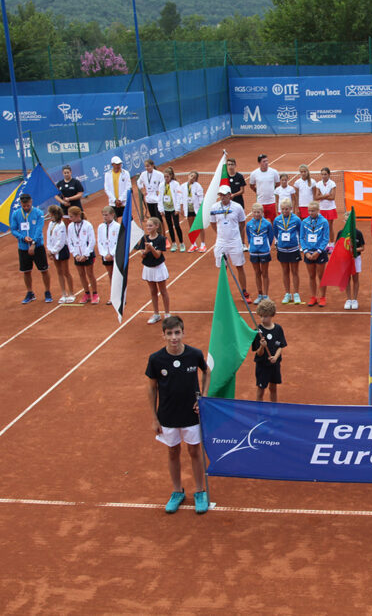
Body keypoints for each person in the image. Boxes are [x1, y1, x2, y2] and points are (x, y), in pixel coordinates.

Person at [145, 315, 209, 514]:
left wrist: (203, 398)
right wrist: (155, 418)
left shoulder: (194, 354)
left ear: (183, 333)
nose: (174, 337)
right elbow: (151, 388)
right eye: (170, 334)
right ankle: (177, 491)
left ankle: (200, 491)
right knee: (172, 452)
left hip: (191, 415)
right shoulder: (156, 360)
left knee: (194, 451)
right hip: (167, 415)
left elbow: (207, 372)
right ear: (163, 335)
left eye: (177, 333)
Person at [210, 184, 250, 303]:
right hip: (221, 242)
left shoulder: (238, 207)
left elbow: (242, 223)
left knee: (239, 266)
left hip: (235, 241)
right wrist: (220, 234)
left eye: (224, 195)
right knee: (223, 268)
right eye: (220, 195)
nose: (222, 197)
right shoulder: (214, 207)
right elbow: (213, 223)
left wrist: (234, 233)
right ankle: (223, 293)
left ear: (229, 195)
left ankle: (244, 292)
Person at [10, 194, 52, 304]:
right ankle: (30, 293)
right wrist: (22, 237)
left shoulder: (38, 213)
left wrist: (33, 243)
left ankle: (47, 291)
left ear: (31, 202)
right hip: (23, 247)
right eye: (24, 206)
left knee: (44, 270)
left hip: (37, 246)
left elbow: (39, 229)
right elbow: (13, 230)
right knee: (26, 271)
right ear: (20, 204)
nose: (26, 207)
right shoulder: (16, 214)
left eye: (28, 205)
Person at [251, 298, 286, 402]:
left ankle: (274, 411)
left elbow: (281, 346)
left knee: (273, 388)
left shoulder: (278, 329)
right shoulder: (258, 331)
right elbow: (258, 353)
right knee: (260, 390)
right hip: (262, 366)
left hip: (274, 365)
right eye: (260, 316)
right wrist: (262, 346)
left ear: (272, 315)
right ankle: (259, 413)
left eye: (265, 316)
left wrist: (275, 357)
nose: (262, 319)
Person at [136, 217, 170, 324]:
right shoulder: (144, 238)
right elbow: (142, 256)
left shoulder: (161, 239)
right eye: (147, 226)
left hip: (158, 267)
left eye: (150, 225)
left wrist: (151, 249)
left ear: (156, 226)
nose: (148, 227)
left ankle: (167, 314)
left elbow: (157, 255)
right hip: (148, 268)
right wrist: (146, 250)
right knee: (153, 291)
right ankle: (156, 314)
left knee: (163, 291)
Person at [300, 200, 330, 307]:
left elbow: (326, 238)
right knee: (311, 276)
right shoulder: (304, 222)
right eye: (309, 211)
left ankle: (322, 297)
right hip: (308, 253)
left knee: (321, 276)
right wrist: (306, 251)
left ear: (318, 210)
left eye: (313, 211)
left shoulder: (324, 222)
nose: (311, 213)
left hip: (319, 253)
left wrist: (318, 251)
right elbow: (302, 238)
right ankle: (313, 297)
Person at [68, 206, 99, 305]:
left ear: (77, 215)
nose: (70, 218)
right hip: (77, 254)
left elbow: (92, 241)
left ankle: (95, 294)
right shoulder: (70, 226)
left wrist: (86, 254)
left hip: (87, 254)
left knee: (90, 274)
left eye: (71, 216)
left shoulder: (87, 225)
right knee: (81, 274)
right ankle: (86, 293)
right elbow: (69, 241)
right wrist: (75, 254)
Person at [273, 199, 302, 304]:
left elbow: (300, 232)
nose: (285, 211)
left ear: (291, 209)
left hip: (294, 249)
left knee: (295, 272)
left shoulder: (296, 220)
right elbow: (276, 233)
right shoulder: (277, 220)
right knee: (285, 272)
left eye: (287, 209)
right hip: (282, 249)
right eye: (283, 209)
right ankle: (287, 293)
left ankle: (296, 294)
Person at [45, 205, 74, 304]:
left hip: (62, 250)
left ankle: (71, 293)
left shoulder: (61, 225)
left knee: (66, 272)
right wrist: (49, 249)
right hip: (54, 250)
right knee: (59, 272)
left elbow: (61, 241)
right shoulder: (50, 224)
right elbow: (48, 237)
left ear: (53, 213)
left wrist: (53, 251)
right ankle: (63, 293)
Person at [246, 203, 274, 304]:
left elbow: (271, 237)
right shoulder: (249, 224)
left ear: (262, 213)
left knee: (265, 273)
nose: (257, 214)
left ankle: (266, 295)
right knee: (257, 273)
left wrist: (266, 246)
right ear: (252, 213)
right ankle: (260, 294)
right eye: (255, 212)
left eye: (258, 212)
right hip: (253, 252)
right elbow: (249, 237)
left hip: (264, 251)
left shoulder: (267, 224)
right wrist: (253, 246)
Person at [343, 210, 366, 310]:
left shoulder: (358, 233)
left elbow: (363, 247)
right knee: (347, 279)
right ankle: (348, 299)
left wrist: (354, 250)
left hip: (356, 258)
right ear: (344, 222)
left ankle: (355, 299)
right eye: (346, 221)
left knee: (355, 278)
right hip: (345, 260)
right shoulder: (341, 233)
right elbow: (338, 248)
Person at [96, 206, 120, 304]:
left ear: (112, 215)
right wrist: (105, 254)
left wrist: (112, 253)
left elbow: (119, 241)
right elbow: (100, 241)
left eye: (107, 215)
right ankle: (113, 296)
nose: (105, 217)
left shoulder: (117, 226)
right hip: (106, 255)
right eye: (103, 215)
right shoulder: (101, 227)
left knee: (117, 275)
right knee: (110, 275)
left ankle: (120, 296)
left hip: (115, 255)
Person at [249, 153, 281, 222]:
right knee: (260, 221)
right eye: (264, 161)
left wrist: (273, 191)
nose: (266, 163)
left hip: (271, 202)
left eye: (267, 161)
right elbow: (251, 185)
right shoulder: (254, 173)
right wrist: (257, 192)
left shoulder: (274, 172)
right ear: (259, 163)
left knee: (273, 221)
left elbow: (278, 183)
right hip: (260, 203)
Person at [161, 166, 184, 252]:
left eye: (167, 176)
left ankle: (181, 243)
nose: (166, 178)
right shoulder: (161, 185)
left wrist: (178, 209)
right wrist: (161, 209)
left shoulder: (175, 184)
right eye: (165, 177)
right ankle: (174, 243)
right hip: (166, 208)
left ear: (171, 176)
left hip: (174, 209)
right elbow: (160, 197)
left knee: (177, 225)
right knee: (170, 226)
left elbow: (179, 196)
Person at [226, 158, 248, 250]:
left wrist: (233, 195)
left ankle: (242, 244)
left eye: (232, 164)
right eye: (229, 164)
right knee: (229, 224)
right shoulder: (225, 177)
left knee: (241, 224)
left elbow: (242, 190)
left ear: (235, 165)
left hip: (239, 203)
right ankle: (232, 243)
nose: (230, 166)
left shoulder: (239, 176)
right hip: (228, 204)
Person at [137, 158, 166, 226]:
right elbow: (139, 182)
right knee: (153, 218)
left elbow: (163, 183)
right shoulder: (143, 174)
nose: (147, 168)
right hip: (149, 199)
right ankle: (156, 233)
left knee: (159, 218)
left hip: (157, 199)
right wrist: (142, 190)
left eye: (148, 166)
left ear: (152, 166)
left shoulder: (159, 174)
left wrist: (159, 190)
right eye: (145, 166)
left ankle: (162, 234)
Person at [313, 167, 338, 246]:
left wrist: (321, 196)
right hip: (322, 209)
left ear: (329, 174)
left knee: (330, 226)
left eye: (325, 174)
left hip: (330, 208)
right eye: (322, 174)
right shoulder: (318, 184)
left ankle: (332, 244)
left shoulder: (332, 184)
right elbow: (316, 197)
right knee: (322, 226)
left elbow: (332, 197)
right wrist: (326, 195)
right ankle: (325, 243)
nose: (324, 176)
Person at [183, 171, 206, 253]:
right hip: (188, 209)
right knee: (191, 227)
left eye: (194, 177)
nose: (192, 178)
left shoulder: (198, 186)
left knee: (200, 226)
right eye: (191, 176)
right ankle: (194, 244)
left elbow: (201, 197)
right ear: (188, 175)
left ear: (196, 179)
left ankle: (203, 244)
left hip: (196, 209)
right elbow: (181, 197)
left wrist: (200, 209)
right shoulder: (183, 186)